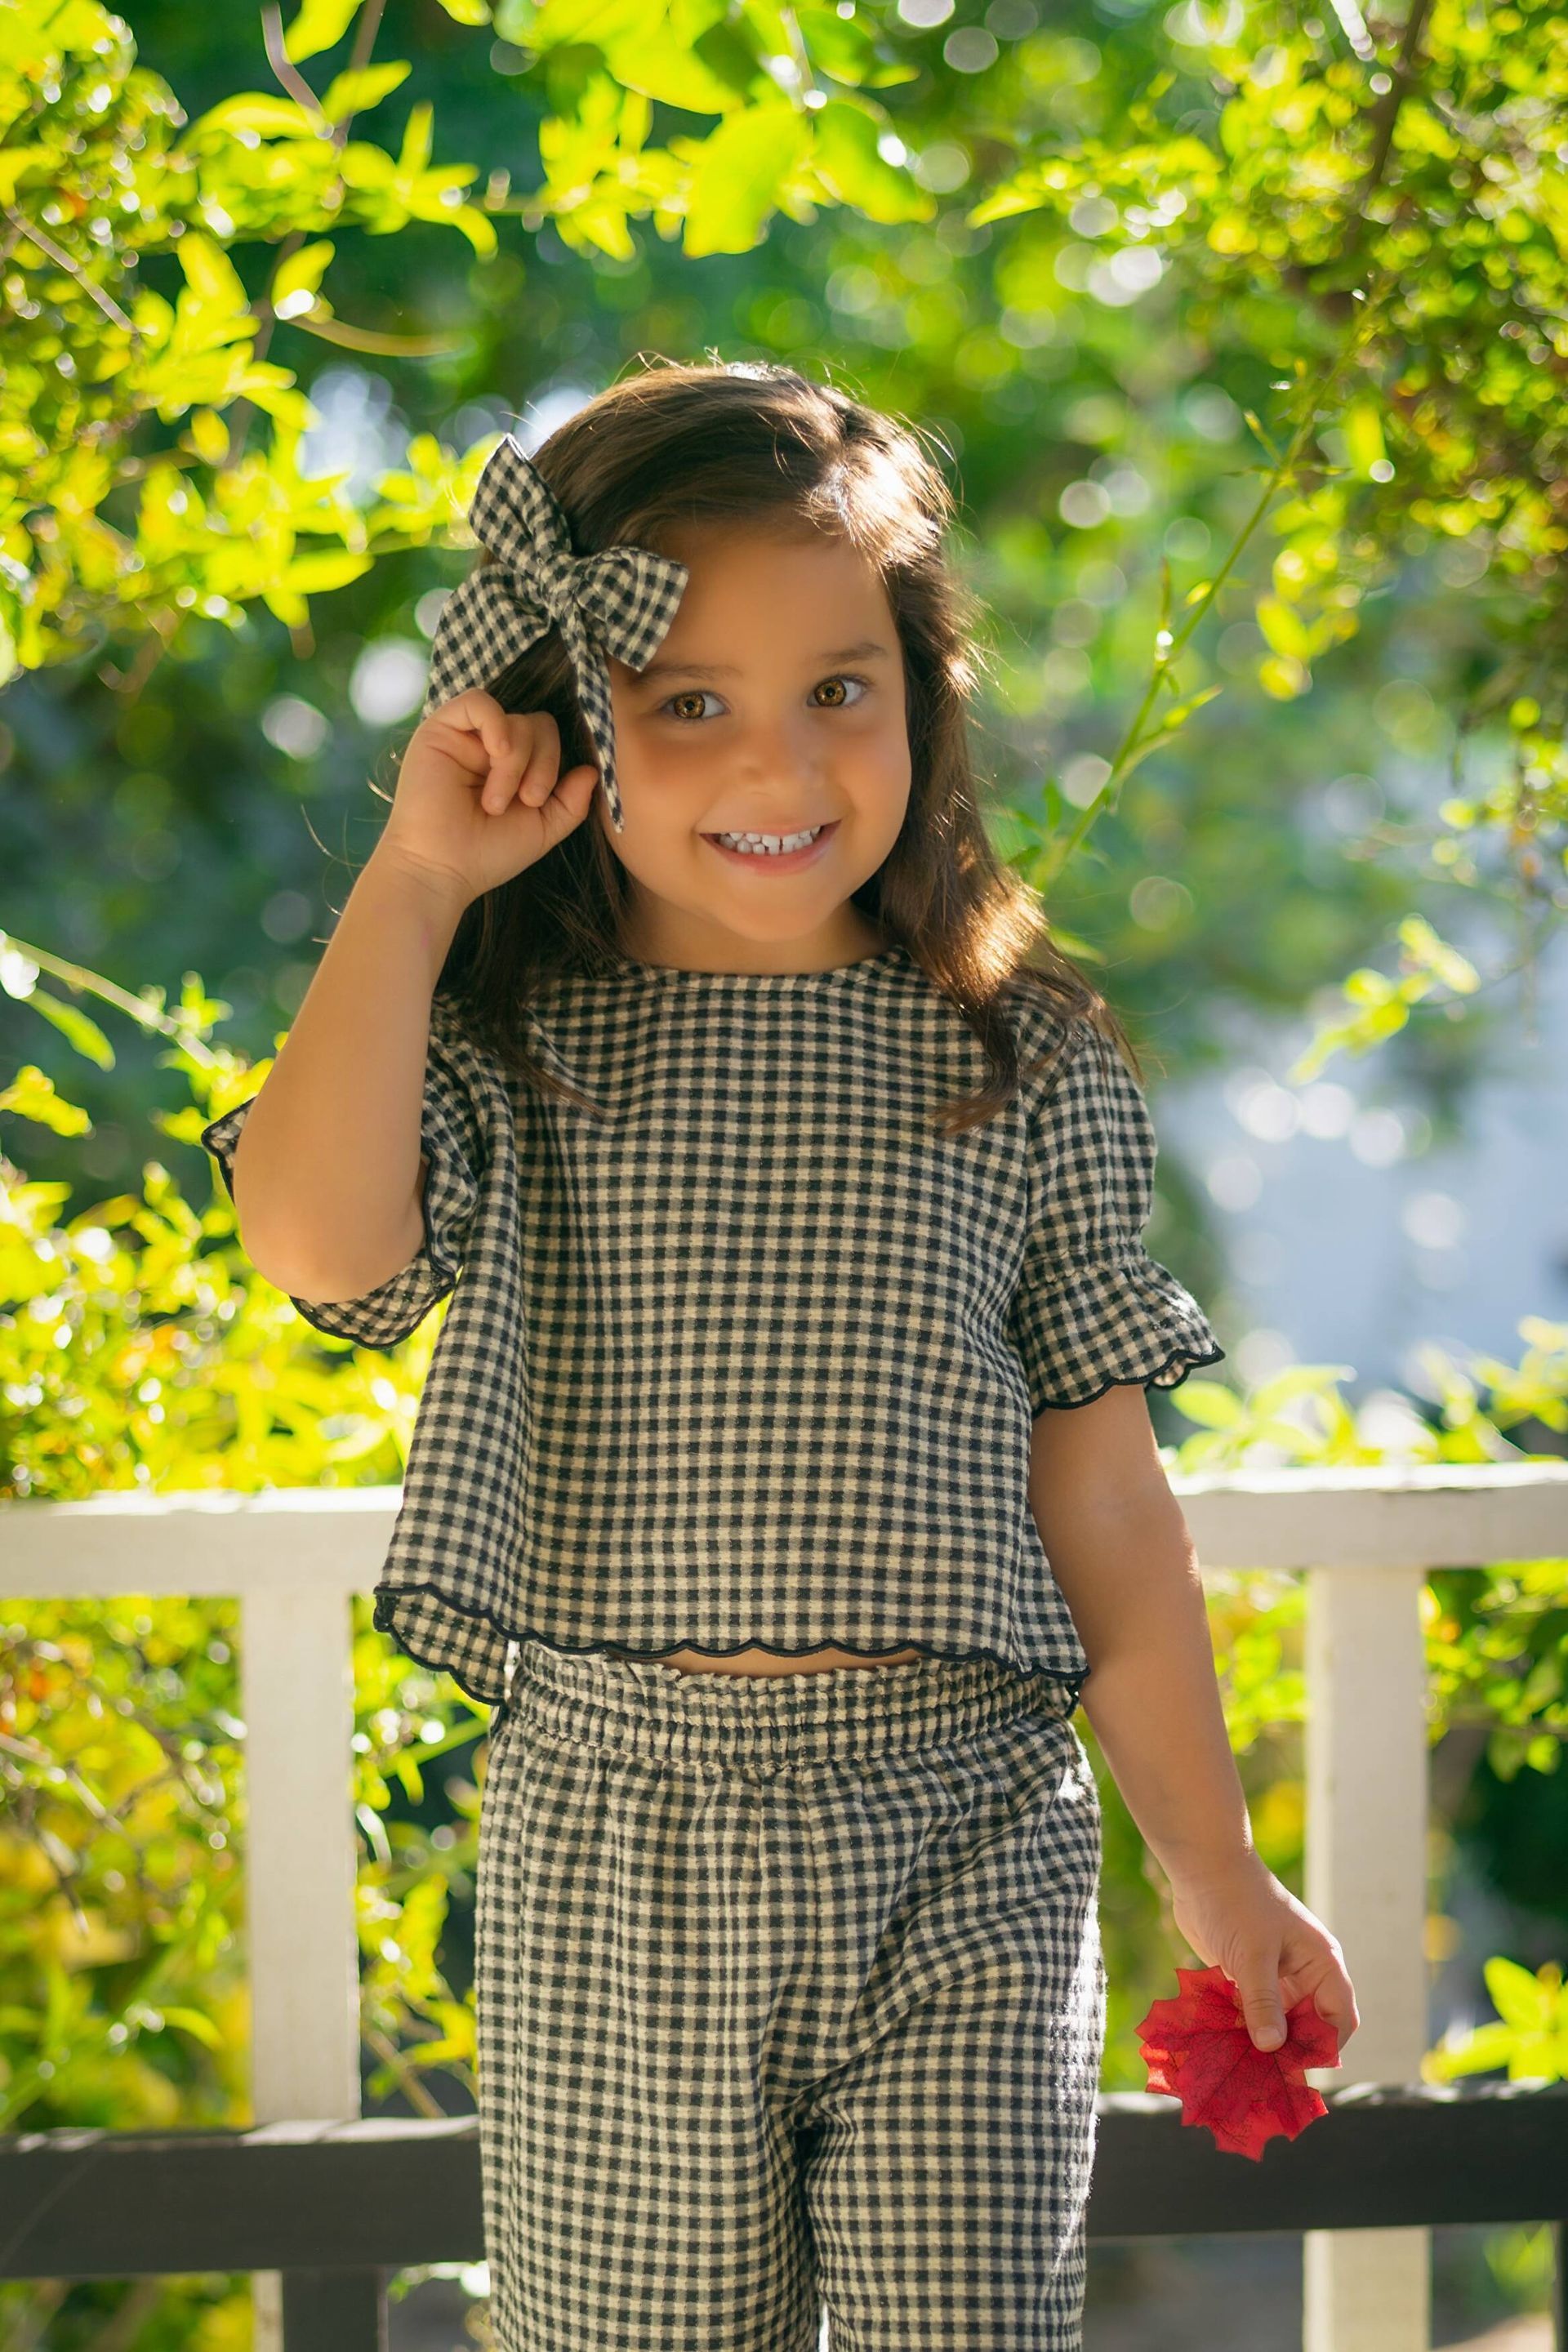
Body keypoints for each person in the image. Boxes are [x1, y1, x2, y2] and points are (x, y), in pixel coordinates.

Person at [203, 359, 1359, 2352]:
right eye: (689, 707)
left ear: (921, 697)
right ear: (571, 730)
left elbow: (1105, 1502)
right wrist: (413, 883)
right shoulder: (512, 1043)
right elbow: (318, 1244)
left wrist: (1218, 1868)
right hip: (619, 1842)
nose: (780, 767)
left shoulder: (1025, 1059)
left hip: (964, 1831)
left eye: (839, 690)